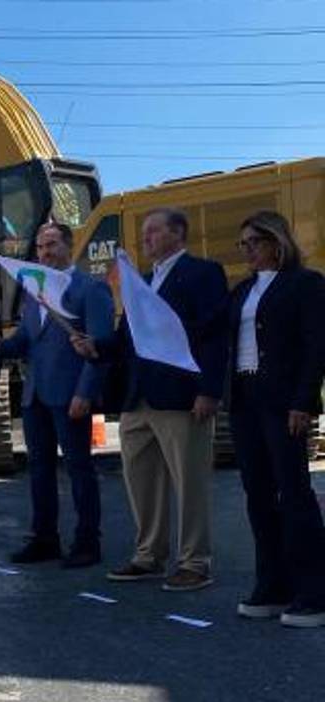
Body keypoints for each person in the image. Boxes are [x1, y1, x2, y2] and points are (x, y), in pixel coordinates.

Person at [73, 208, 229, 591]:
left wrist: (209, 391)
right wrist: (96, 346)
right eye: (144, 233)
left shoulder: (203, 273)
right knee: (141, 481)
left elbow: (214, 335)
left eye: (153, 231)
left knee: (189, 483)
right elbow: (127, 340)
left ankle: (195, 562)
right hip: (137, 397)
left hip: (181, 397)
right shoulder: (141, 283)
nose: (145, 238)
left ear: (178, 232)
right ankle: (149, 556)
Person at [0, 223, 114, 568]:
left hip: (71, 396)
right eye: (40, 247)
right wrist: (2, 345)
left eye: (52, 245)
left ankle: (88, 542)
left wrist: (85, 392)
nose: (44, 252)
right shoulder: (34, 291)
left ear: (69, 247)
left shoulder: (90, 289)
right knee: (39, 471)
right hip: (36, 397)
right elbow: (27, 342)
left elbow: (101, 348)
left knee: (79, 470)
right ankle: (45, 539)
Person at [226, 211, 325, 626]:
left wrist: (303, 401)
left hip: (284, 403)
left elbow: (316, 345)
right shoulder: (242, 290)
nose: (247, 249)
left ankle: (314, 591)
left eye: (253, 241)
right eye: (243, 243)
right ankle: (272, 583)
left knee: (294, 493)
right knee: (258, 494)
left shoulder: (305, 284)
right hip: (245, 400)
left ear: (276, 241)